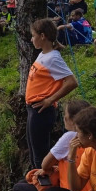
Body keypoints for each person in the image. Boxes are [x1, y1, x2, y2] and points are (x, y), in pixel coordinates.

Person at [25, 18, 79, 169]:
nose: (31, 38)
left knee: (40, 154)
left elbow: (72, 82)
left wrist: (50, 100)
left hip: (41, 111)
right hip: (32, 109)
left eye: (33, 35)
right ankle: (36, 182)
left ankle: (44, 186)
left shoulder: (53, 58)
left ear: (42, 36)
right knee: (33, 150)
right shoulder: (43, 54)